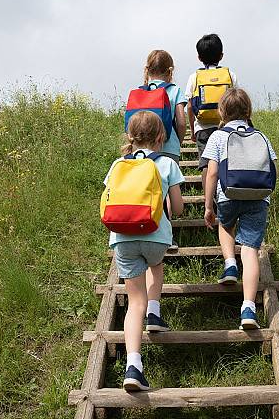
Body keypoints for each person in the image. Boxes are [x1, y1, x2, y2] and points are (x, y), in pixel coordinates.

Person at [103, 111, 184, 391]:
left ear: (130, 137)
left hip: (123, 238)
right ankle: (155, 311)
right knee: (156, 266)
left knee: (132, 301)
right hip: (156, 237)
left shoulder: (117, 165)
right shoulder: (167, 164)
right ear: (161, 136)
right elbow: (180, 207)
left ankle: (133, 366)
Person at [202, 88, 277, 330]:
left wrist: (207, 204)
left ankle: (230, 264)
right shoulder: (261, 136)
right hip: (258, 197)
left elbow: (212, 172)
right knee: (251, 250)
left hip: (228, 194)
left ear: (221, 111)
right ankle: (248, 308)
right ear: (249, 111)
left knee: (225, 226)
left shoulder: (217, 136)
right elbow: (272, 166)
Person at [184, 34, 238, 189]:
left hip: (203, 127)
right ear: (221, 55)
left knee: (206, 164)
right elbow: (237, 99)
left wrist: (193, 130)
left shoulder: (195, 77)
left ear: (199, 57)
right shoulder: (230, 75)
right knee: (226, 161)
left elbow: (189, 106)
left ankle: (209, 200)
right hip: (227, 127)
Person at [144, 49, 187, 164]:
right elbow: (182, 123)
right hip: (169, 148)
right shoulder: (174, 90)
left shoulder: (140, 92)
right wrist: (178, 142)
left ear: (147, 70)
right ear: (170, 71)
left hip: (144, 150)